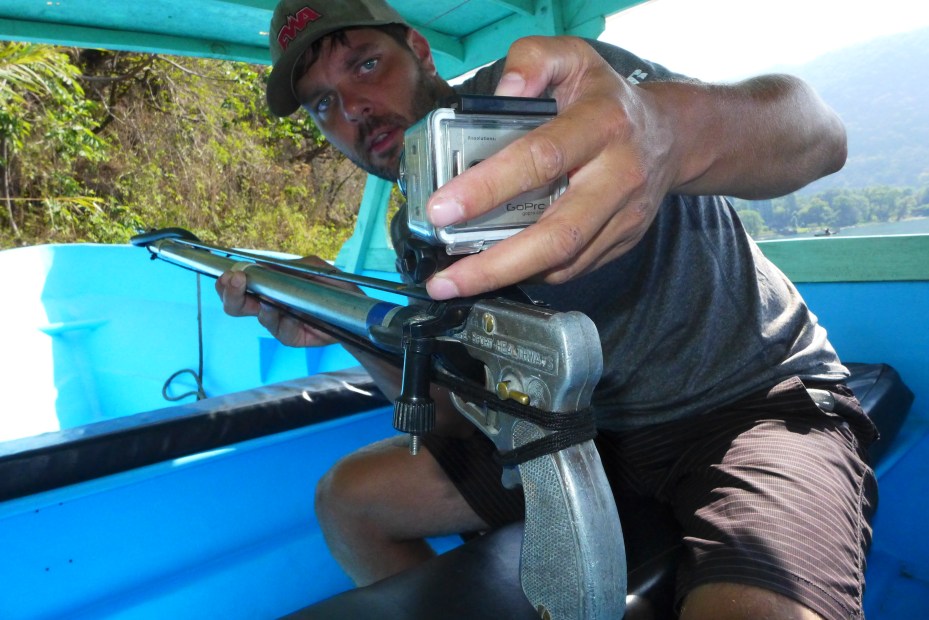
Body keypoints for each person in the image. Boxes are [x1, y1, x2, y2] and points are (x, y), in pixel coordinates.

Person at [216, 1, 878, 618]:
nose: (354, 108)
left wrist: (668, 131)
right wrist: (346, 316)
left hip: (748, 406)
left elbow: (819, 136)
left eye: (365, 64)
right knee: (349, 500)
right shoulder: (415, 231)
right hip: (576, 430)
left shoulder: (563, 90)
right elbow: (447, 419)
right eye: (322, 103)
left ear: (418, 50)